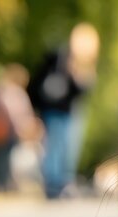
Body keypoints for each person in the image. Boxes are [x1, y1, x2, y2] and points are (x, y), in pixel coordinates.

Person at [28, 22, 100, 199]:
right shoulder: (58, 57)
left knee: (69, 147)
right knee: (53, 146)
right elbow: (39, 83)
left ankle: (63, 182)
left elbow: (82, 90)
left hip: (71, 110)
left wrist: (79, 74)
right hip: (52, 110)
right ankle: (52, 184)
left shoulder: (84, 64)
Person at [0, 63, 42, 193]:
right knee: (9, 157)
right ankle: (6, 184)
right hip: (10, 129)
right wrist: (23, 127)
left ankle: (1, 184)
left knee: (0, 157)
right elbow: (17, 113)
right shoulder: (15, 92)